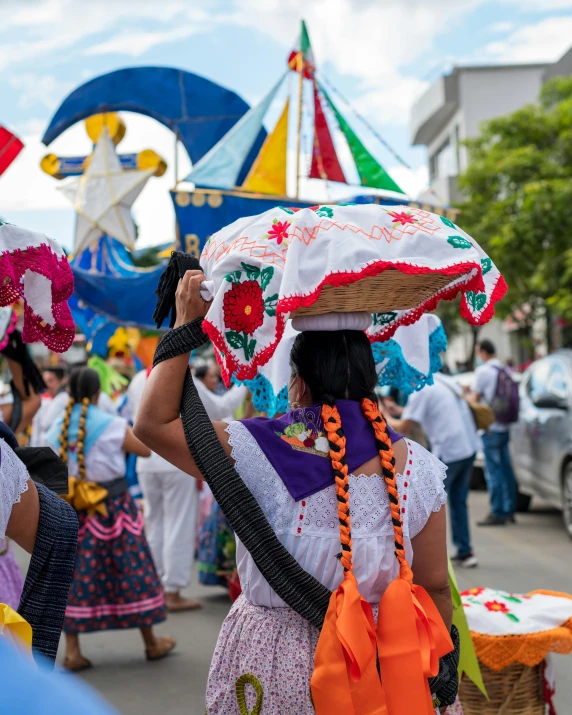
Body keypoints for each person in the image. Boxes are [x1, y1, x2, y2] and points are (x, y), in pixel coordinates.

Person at [134, 272, 455, 714]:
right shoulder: (419, 468)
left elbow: (151, 424)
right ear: (369, 378)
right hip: (386, 668)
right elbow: (435, 588)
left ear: (298, 382)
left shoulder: (251, 448)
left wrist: (186, 325)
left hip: (274, 667)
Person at [46, 367, 174, 671]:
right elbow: (143, 450)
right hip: (114, 508)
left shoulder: (55, 430)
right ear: (97, 393)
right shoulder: (112, 425)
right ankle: (151, 642)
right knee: (133, 570)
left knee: (72, 576)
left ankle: (73, 652)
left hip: (72, 512)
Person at [127, 368, 201, 612]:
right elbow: (214, 408)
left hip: (147, 460)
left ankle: (154, 585)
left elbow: (132, 415)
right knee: (177, 523)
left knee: (155, 522)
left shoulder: (139, 378)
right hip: (175, 458)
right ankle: (172, 592)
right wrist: (244, 387)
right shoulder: (181, 375)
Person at [388, 372, 480, 568]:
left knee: (429, 505)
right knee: (458, 500)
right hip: (468, 447)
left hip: (449, 451)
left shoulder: (420, 391)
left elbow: (401, 428)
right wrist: (398, 409)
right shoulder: (442, 379)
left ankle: (429, 564)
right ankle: (465, 551)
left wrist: (381, 413)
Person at [471, 339, 518, 526]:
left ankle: (497, 512)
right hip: (505, 425)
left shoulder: (483, 371)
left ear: (482, 352)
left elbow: (474, 399)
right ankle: (510, 510)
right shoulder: (504, 369)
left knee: (493, 471)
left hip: (491, 428)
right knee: (506, 468)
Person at [30, 367, 69, 447]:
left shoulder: (64, 400)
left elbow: (46, 423)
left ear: (61, 381)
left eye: (50, 381)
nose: (46, 385)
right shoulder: (44, 401)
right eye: (44, 381)